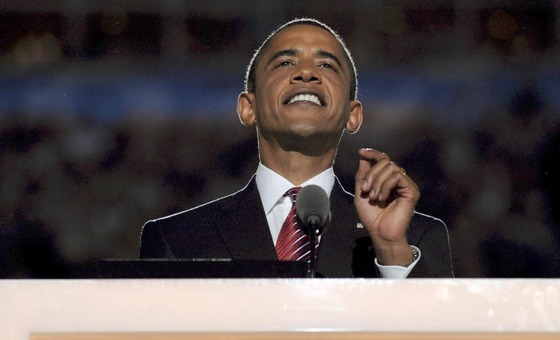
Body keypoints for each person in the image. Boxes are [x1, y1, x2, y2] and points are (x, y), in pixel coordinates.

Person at [139, 18, 453, 278]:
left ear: (353, 115)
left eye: (327, 66)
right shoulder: (177, 240)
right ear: (249, 107)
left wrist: (390, 249)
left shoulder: (415, 238)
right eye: (285, 62)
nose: (306, 72)